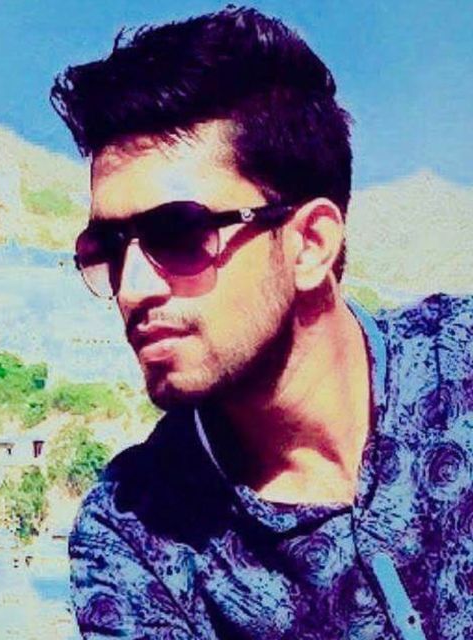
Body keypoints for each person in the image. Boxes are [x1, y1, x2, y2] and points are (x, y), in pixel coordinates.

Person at [50, 6, 473, 639]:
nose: (131, 288)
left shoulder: (459, 367)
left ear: (310, 244)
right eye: (108, 250)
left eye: (179, 233)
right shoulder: (137, 537)